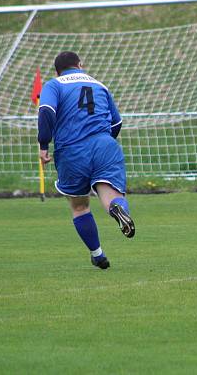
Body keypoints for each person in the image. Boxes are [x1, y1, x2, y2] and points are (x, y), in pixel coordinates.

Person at [38, 51, 134, 270]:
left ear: (58, 71)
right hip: (104, 144)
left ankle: (97, 254)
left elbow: (46, 111)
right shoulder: (100, 85)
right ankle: (118, 209)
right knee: (110, 196)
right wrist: (101, 144)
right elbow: (116, 123)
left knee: (80, 206)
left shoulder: (54, 85)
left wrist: (44, 144)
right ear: (80, 65)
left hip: (71, 150)